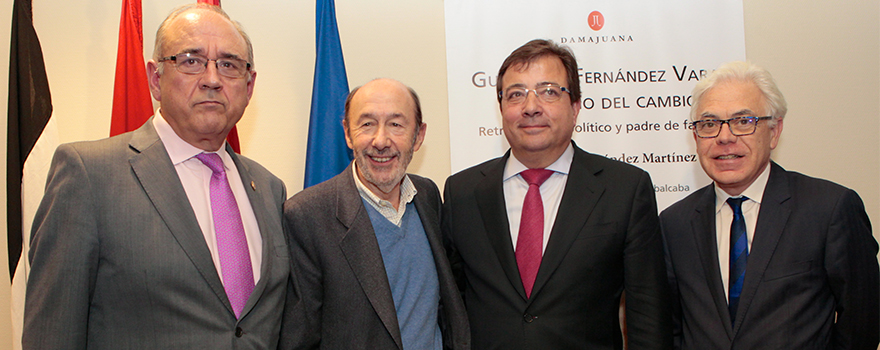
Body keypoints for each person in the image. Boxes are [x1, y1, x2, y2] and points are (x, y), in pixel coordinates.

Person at [22, 4, 290, 349]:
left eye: (229, 65)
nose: (212, 79)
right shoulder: (88, 175)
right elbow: (52, 336)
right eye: (191, 60)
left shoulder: (270, 190)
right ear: (155, 78)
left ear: (249, 85)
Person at [441, 39, 671, 349]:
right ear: (501, 109)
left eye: (548, 91)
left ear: (575, 106)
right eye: (516, 94)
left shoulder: (625, 190)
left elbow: (648, 319)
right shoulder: (462, 193)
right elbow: (450, 311)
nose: (531, 107)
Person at [660, 61, 880, 349]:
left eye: (743, 121)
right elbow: (671, 328)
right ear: (696, 137)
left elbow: (863, 321)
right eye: (710, 124)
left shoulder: (829, 209)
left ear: (774, 131)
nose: (725, 137)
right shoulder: (674, 223)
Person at [280, 78, 469, 350]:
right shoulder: (306, 216)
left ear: (419, 135)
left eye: (396, 124)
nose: (381, 141)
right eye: (367, 124)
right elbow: (299, 339)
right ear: (347, 133)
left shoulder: (427, 196)